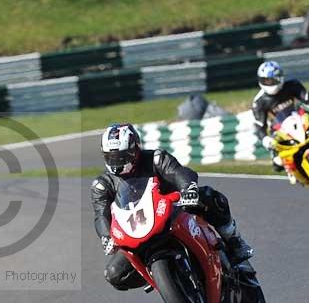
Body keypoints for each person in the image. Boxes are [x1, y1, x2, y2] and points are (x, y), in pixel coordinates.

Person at [91, 123, 253, 291]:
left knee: (209, 196)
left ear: (135, 149)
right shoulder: (102, 184)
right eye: (111, 157)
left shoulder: (156, 158)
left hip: (175, 209)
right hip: (137, 228)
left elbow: (179, 173)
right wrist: (105, 236)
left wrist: (188, 189)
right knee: (114, 274)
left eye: (122, 156)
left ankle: (234, 241)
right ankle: (157, 275)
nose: (117, 162)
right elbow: (101, 215)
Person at [251, 61, 309, 174]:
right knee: (277, 163)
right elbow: (259, 125)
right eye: (266, 80)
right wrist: (265, 139)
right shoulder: (259, 102)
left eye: (272, 79)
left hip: (301, 117)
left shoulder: (292, 85)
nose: (269, 83)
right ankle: (293, 171)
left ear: (280, 78)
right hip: (279, 129)